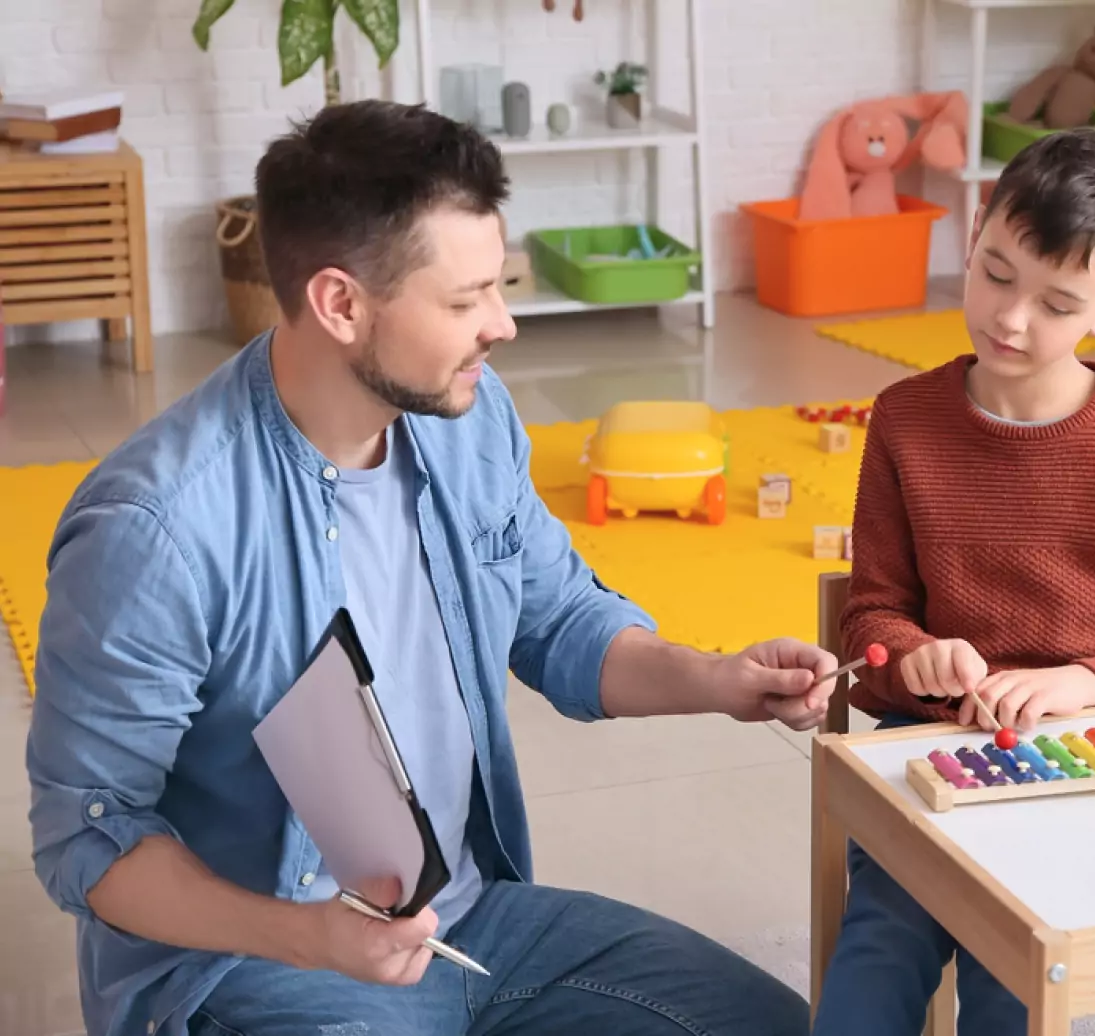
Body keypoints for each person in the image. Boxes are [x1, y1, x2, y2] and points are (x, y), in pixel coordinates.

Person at [25, 99, 839, 1036]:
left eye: (498, 286)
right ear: (340, 303)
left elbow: (560, 619)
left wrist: (718, 679)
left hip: (473, 926)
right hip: (251, 971)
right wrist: (310, 937)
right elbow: (90, 839)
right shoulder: (154, 530)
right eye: (465, 300)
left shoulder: (468, 418)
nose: (504, 325)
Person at [809, 128, 1095, 1036]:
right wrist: (917, 659)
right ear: (972, 238)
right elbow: (873, 618)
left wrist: (1080, 682)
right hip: (930, 756)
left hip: (1086, 769)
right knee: (880, 952)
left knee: (1016, 983)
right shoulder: (904, 419)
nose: (1011, 319)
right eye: (997, 274)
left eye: (1057, 302)